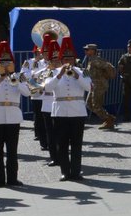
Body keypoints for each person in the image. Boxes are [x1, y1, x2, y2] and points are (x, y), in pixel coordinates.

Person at [0, 42, 31, 187]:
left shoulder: (19, 76)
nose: (5, 64)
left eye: (8, 61)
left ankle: (12, 178)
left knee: (12, 150)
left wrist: (15, 82)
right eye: (2, 62)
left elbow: (27, 92)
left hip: (13, 117)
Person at [45, 38, 91, 181]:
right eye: (65, 58)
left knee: (77, 144)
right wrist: (59, 75)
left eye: (70, 58)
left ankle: (76, 172)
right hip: (60, 112)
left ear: (74, 59)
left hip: (78, 112)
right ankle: (65, 171)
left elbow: (89, 87)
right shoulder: (53, 72)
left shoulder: (82, 71)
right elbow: (47, 88)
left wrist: (77, 76)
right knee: (62, 143)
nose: (68, 61)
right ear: (61, 59)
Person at [83, 43, 117, 130]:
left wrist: (107, 75)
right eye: (85, 50)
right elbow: (90, 74)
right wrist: (82, 71)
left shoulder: (96, 60)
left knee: (96, 105)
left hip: (99, 85)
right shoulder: (91, 60)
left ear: (93, 51)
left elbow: (108, 66)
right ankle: (109, 118)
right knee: (89, 104)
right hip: (93, 85)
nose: (85, 51)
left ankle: (109, 120)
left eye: (87, 50)